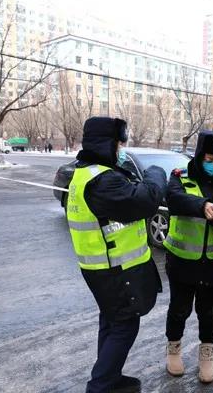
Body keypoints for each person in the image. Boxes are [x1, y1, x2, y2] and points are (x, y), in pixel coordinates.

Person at [66, 117, 167, 393]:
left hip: (101, 267)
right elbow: (144, 201)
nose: (122, 149)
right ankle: (100, 385)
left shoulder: (86, 173)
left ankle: (110, 378)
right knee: (124, 326)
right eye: (120, 144)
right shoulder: (103, 181)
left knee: (111, 321)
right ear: (107, 144)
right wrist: (156, 173)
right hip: (114, 270)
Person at [163, 131, 213, 383]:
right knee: (179, 309)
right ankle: (173, 350)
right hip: (181, 260)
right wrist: (201, 205)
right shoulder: (180, 177)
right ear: (199, 157)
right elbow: (174, 199)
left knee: (209, 312)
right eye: (209, 159)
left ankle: (207, 357)